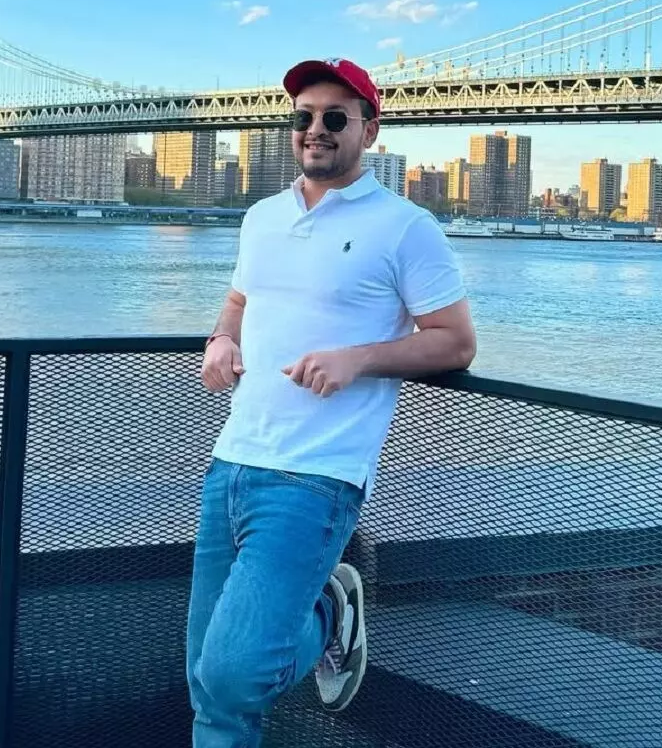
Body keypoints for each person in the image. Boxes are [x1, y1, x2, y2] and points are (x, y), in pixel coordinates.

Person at [186, 57, 477, 747]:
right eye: (304, 116)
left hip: (315, 477)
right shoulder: (263, 217)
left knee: (235, 674)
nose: (315, 129)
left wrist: (358, 358)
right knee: (208, 684)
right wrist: (221, 340)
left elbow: (456, 342)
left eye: (335, 118)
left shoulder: (406, 228)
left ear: (368, 131)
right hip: (231, 461)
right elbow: (239, 300)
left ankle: (330, 612)